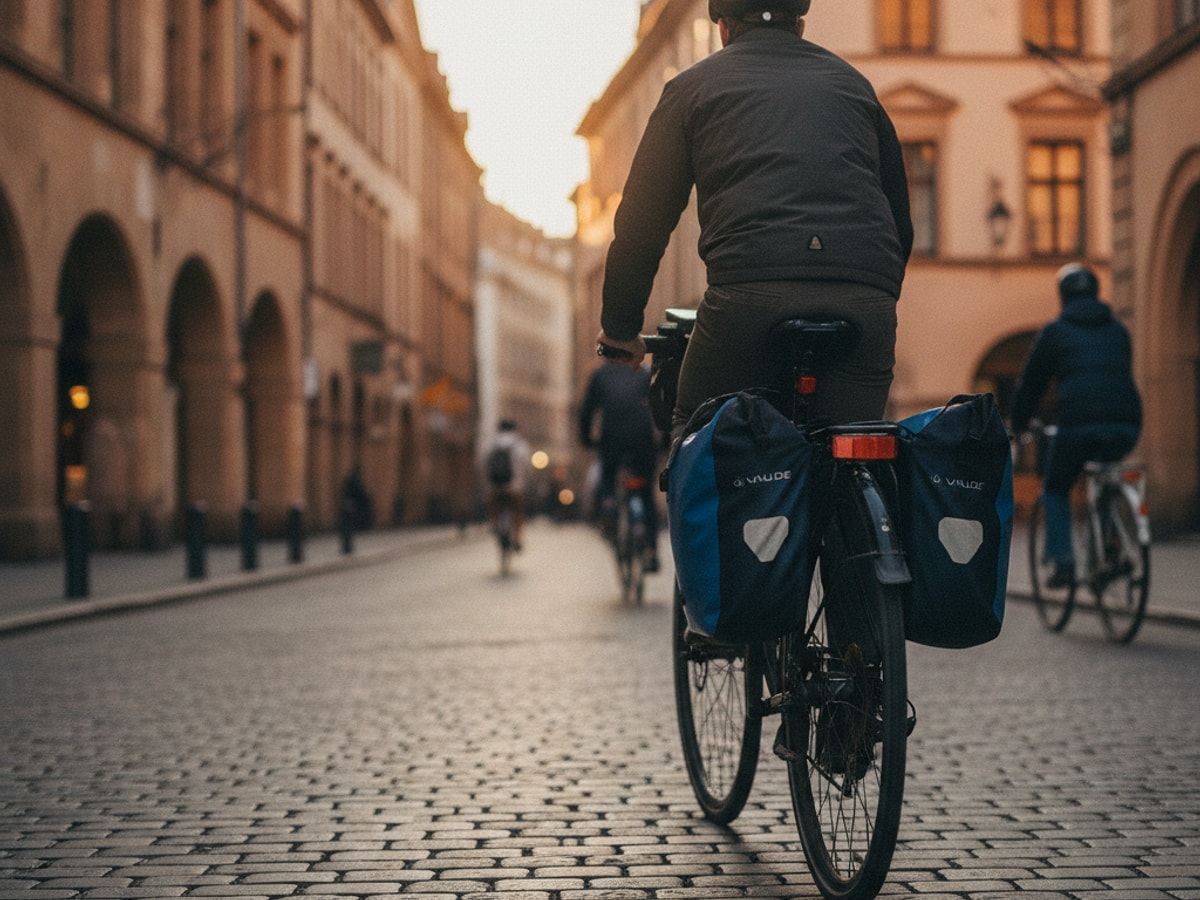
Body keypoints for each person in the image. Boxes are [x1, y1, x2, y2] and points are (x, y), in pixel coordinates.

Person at [595, 0, 913, 437]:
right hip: (863, 295)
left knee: (700, 433)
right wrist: (875, 292)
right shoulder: (855, 86)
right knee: (853, 439)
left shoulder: (690, 89)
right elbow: (899, 216)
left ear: (723, 29)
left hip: (749, 294)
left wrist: (620, 331)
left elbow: (641, 226)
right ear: (800, 25)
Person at [1011, 263, 1143, 588]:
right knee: (1106, 474)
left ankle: (1064, 563)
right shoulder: (1119, 330)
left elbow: (1032, 384)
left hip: (1078, 425)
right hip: (1127, 422)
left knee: (1056, 488)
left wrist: (1019, 424)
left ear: (1063, 296)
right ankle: (1112, 549)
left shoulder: (1055, 332)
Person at [579, 356, 661, 572]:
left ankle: (608, 504)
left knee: (607, 475)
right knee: (645, 494)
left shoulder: (600, 374)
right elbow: (660, 407)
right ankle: (651, 550)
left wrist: (587, 440)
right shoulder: (645, 373)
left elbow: (587, 411)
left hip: (611, 439)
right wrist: (665, 441)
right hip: (642, 441)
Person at [481, 419, 531, 551]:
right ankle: (517, 538)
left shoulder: (490, 443)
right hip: (515, 486)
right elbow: (527, 467)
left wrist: (487, 481)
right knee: (518, 511)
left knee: (492, 504)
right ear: (514, 429)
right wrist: (526, 480)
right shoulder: (521, 445)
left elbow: (483, 464)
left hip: (495, 485)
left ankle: (493, 524)